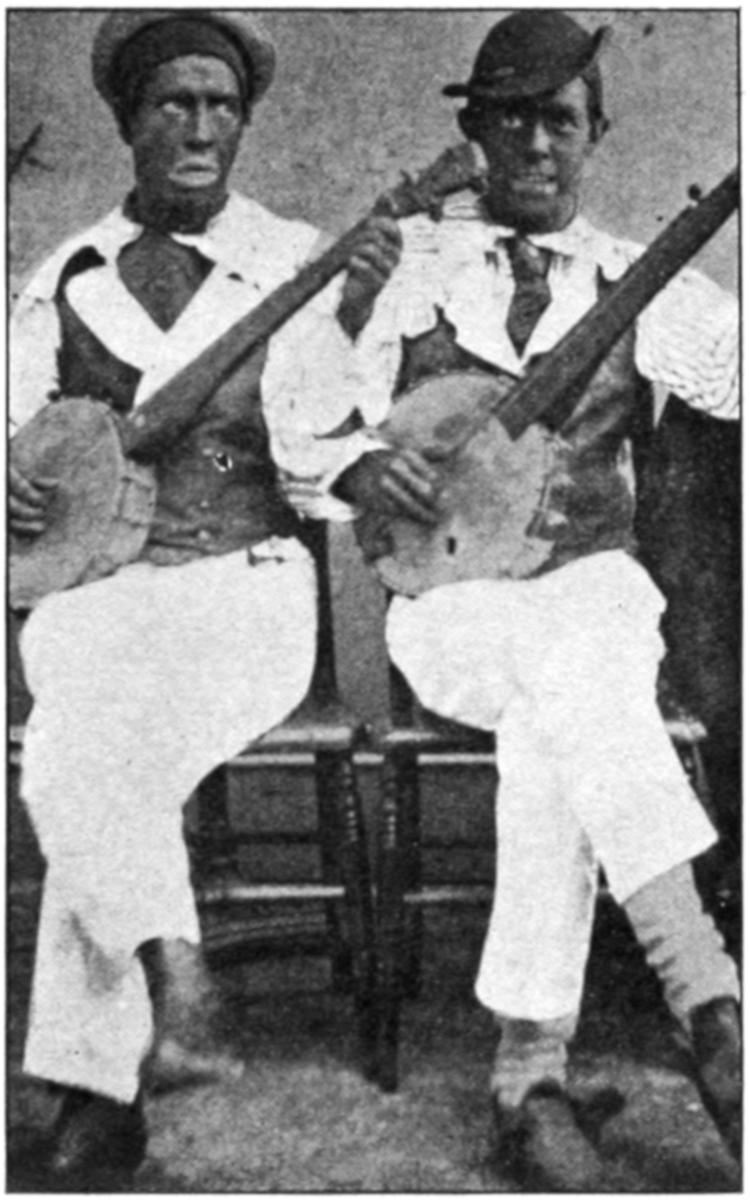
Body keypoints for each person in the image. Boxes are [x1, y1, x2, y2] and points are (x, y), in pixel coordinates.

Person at [264, 11, 740, 1190]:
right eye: (513, 119)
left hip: (595, 589)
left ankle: (530, 1080)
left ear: (594, 136)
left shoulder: (643, 281)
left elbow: (735, 386)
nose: (536, 144)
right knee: (568, 691)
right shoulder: (410, 268)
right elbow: (300, 429)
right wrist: (364, 465)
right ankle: (712, 1006)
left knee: (560, 703)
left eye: (560, 121)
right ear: (475, 130)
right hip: (453, 606)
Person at [8, 10, 400, 1189]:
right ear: (128, 122)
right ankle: (176, 977)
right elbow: (18, 446)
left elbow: (323, 456)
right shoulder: (66, 277)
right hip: (105, 586)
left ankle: (95, 1085)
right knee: (84, 726)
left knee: (82, 745)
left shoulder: (297, 262)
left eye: (220, 105)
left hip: (247, 585)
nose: (199, 126)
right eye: (173, 103)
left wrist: (350, 319)